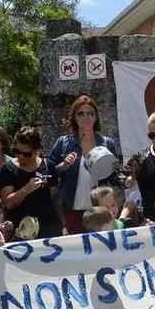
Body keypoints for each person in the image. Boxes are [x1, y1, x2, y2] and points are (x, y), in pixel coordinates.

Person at [0, 127, 61, 309]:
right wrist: (26, 189)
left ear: (37, 151)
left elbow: (55, 198)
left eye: (27, 154)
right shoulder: (8, 169)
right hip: (20, 232)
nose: (21, 157)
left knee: (43, 282)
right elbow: (7, 202)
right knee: (19, 282)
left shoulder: (48, 167)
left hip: (47, 228)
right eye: (17, 151)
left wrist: (61, 227)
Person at [47, 95, 120, 234]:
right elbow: (48, 174)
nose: (86, 117)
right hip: (71, 209)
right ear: (74, 117)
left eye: (90, 113)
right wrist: (62, 167)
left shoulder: (107, 143)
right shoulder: (63, 143)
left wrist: (117, 171)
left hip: (99, 209)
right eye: (81, 113)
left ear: (96, 117)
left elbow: (113, 178)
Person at [77, 206, 119, 309]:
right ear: (105, 227)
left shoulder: (89, 242)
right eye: (111, 223)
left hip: (93, 287)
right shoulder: (102, 244)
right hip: (101, 289)